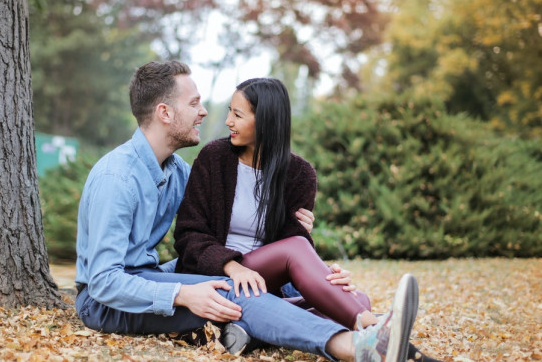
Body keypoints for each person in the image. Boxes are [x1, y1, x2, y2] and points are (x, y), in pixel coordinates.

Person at [74, 60, 418, 362]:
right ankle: (358, 346)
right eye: (194, 103)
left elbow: (248, 230)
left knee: (238, 294)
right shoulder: (116, 178)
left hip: (147, 278)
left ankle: (252, 332)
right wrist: (184, 293)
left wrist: (313, 261)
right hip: (106, 302)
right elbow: (104, 281)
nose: (207, 113)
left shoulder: (176, 170)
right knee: (236, 292)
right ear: (165, 112)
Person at [173, 77, 436, 360]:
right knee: (316, 266)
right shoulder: (214, 158)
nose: (227, 121)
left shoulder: (299, 174)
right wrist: (232, 266)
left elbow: (292, 249)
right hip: (217, 276)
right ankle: (376, 330)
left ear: (266, 120)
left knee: (357, 299)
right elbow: (189, 234)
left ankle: (247, 332)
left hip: (265, 287)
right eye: (230, 111)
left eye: (237, 114)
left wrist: (327, 277)